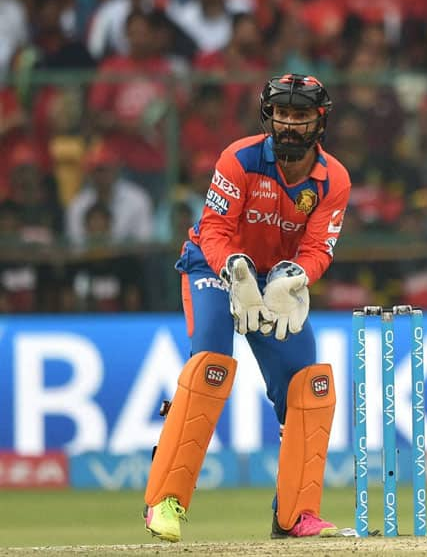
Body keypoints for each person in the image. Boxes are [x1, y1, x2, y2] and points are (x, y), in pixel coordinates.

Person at [143, 74, 351, 542]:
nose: (290, 125)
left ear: (320, 121)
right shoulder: (239, 158)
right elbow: (215, 230)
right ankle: (164, 502)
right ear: (269, 116)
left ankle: (295, 515)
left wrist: (295, 278)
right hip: (214, 267)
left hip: (273, 279)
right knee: (211, 366)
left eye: (301, 116)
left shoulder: (333, 179)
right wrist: (234, 268)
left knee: (308, 385)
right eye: (282, 114)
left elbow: (318, 248)